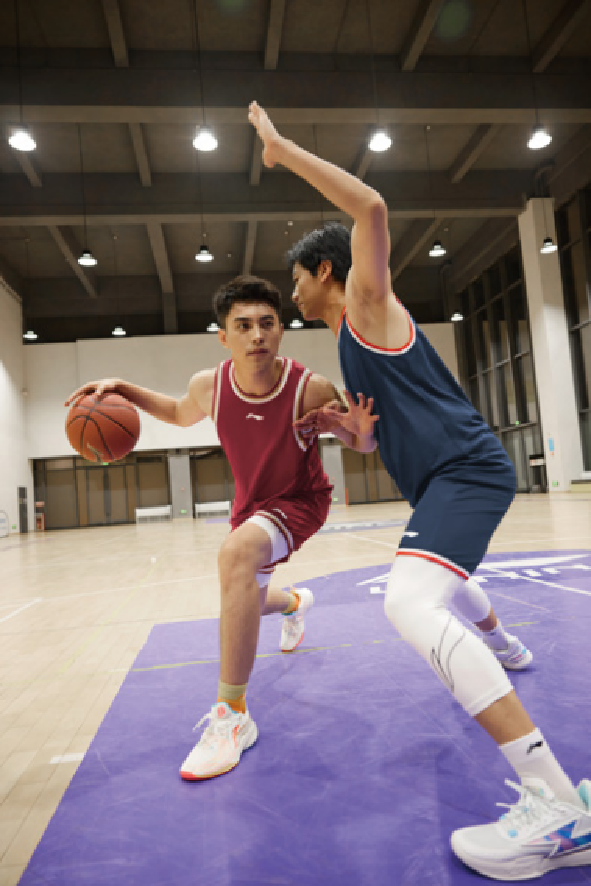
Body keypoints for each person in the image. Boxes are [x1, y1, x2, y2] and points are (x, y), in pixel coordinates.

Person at [248, 101, 591, 881]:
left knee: (407, 600)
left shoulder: (366, 303)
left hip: (466, 471)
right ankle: (503, 643)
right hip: (442, 478)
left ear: (325, 272)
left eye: (296, 279)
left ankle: (558, 809)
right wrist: (354, 435)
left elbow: (370, 207)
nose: (292, 293)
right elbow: (380, 437)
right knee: (441, 579)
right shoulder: (348, 342)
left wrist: (281, 148)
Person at [65, 275, 374, 780]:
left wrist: (356, 430)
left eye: (267, 323)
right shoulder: (209, 386)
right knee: (245, 595)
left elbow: (362, 443)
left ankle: (232, 715)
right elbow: (177, 413)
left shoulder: (310, 387)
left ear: (280, 330)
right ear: (223, 336)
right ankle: (294, 603)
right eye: (243, 325)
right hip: (251, 507)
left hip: (300, 501)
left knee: (235, 556)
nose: (257, 335)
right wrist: (122, 388)